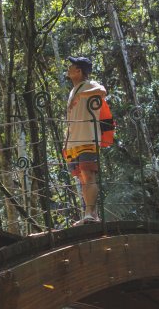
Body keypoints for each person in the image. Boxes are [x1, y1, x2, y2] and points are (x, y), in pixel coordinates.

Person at [63, 56, 107, 226]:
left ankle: (90, 213)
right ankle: (90, 215)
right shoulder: (73, 90)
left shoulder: (88, 85)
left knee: (89, 175)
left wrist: (82, 95)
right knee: (82, 178)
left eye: (71, 66)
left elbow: (102, 91)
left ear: (79, 71)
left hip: (88, 138)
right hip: (74, 141)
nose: (68, 68)